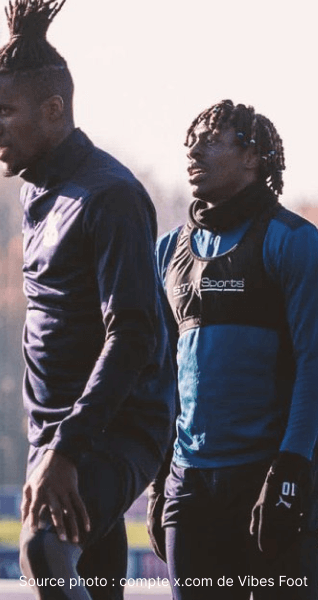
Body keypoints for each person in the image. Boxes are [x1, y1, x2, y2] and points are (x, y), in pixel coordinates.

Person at [0, 2, 175, 598]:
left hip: (110, 429)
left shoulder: (109, 195)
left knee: (44, 549)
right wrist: (50, 440)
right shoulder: (37, 190)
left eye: (5, 112)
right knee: (94, 579)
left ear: (54, 109)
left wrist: (67, 448)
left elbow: (135, 333)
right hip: (56, 433)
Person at [149, 100, 318, 600]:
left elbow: (314, 363)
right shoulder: (167, 252)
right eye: (191, 142)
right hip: (190, 484)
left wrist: (290, 471)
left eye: (211, 141)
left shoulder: (294, 241)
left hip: (271, 477)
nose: (193, 151)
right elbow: (161, 376)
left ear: (252, 157)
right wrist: (159, 480)